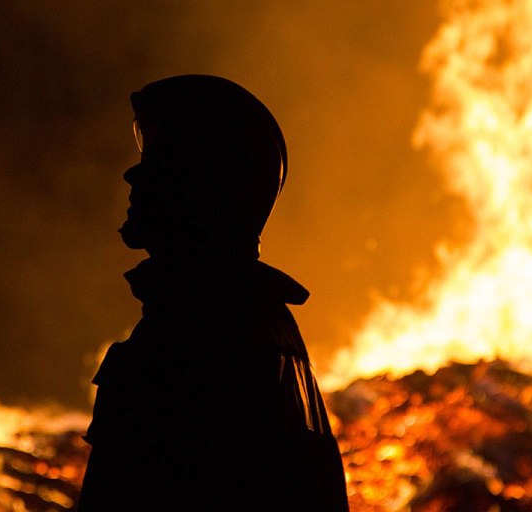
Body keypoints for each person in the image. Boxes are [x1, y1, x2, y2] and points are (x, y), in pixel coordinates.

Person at [77, 75, 349, 511]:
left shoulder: (197, 333)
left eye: (160, 159)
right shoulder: (252, 320)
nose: (133, 174)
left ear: (203, 185)